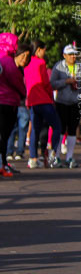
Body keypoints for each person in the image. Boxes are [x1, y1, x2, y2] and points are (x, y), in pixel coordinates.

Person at [24, 40, 64, 168]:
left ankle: (33, 158)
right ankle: (52, 155)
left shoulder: (26, 63)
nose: (44, 53)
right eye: (44, 50)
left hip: (32, 101)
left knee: (35, 130)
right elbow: (46, 83)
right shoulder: (41, 63)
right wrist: (51, 99)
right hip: (44, 100)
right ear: (39, 50)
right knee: (57, 126)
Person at [50, 44, 81, 167]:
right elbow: (52, 84)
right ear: (64, 55)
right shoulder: (58, 67)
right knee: (60, 129)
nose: (72, 57)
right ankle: (57, 156)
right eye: (70, 54)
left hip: (75, 102)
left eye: (74, 54)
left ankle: (70, 157)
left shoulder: (80, 67)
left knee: (72, 129)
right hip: (61, 102)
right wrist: (66, 81)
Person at [1, 34, 29, 177]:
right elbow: (16, 80)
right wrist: (23, 92)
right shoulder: (7, 60)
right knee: (4, 135)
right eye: (15, 43)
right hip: (7, 102)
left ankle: (3, 163)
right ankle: (2, 165)